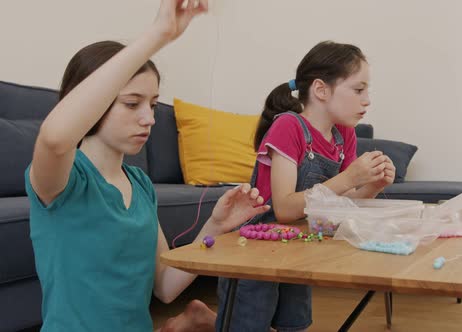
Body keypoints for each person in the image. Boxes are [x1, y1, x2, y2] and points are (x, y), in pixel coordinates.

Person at [24, 1, 268, 331]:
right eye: (131, 103)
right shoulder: (61, 180)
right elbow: (54, 139)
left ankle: (185, 321)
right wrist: (159, 34)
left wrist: (214, 227)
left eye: (152, 104)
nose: (149, 118)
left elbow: (165, 287)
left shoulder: (139, 184)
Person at [216, 41, 395, 332]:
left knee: (293, 324)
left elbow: (343, 200)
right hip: (255, 250)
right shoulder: (288, 126)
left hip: (298, 246)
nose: (367, 100)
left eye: (367, 91)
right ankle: (202, 320)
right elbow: (284, 208)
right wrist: (349, 177)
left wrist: (371, 185)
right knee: (247, 324)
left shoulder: (344, 134)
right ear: (321, 90)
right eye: (358, 90)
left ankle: (201, 320)